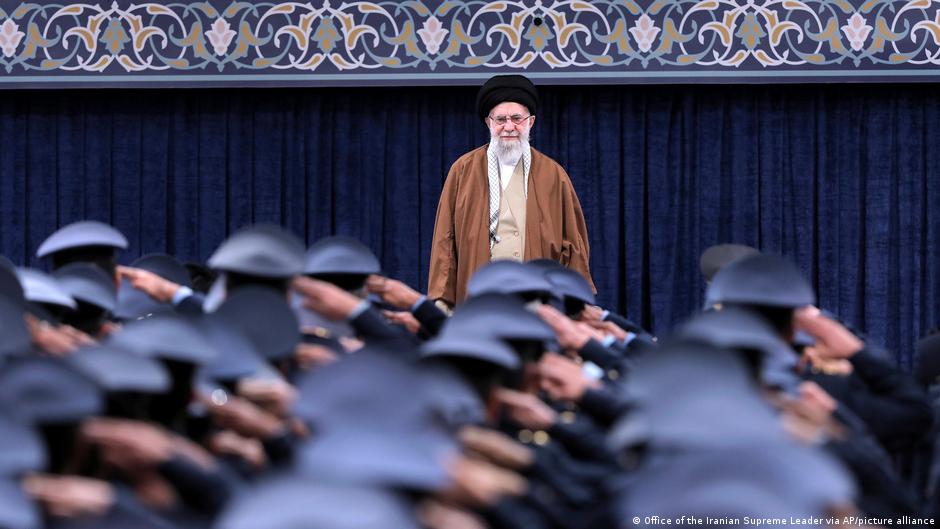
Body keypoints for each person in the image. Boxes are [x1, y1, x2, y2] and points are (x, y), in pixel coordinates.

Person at [428, 74, 593, 307]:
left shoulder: (553, 174)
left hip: (537, 301)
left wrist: (575, 302)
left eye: (517, 118)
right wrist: (442, 300)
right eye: (500, 119)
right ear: (489, 122)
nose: (509, 127)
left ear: (530, 122)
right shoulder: (463, 170)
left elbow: (573, 244)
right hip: (481, 297)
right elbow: (445, 240)